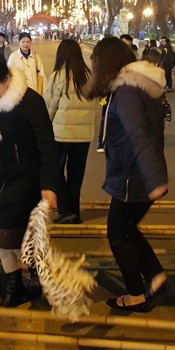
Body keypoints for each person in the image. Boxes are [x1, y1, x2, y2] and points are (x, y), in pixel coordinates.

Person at [85, 37, 169, 312]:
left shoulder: (127, 92)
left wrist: (155, 178)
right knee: (128, 229)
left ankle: (135, 294)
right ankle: (155, 275)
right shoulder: (137, 86)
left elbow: (139, 134)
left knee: (118, 235)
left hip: (134, 175)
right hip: (140, 172)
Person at [0, 58, 58, 307]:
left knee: (18, 235)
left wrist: (49, 185)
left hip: (27, 179)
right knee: (3, 234)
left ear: (7, 80)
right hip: (0, 179)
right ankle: (14, 283)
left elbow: (47, 145)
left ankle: (33, 275)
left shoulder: (30, 101)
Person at [45, 40, 97, 225]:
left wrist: (44, 130)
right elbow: (96, 107)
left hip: (60, 133)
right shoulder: (89, 76)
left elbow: (49, 108)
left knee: (54, 171)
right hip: (84, 135)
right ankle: (74, 211)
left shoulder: (58, 77)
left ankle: (66, 210)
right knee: (76, 174)